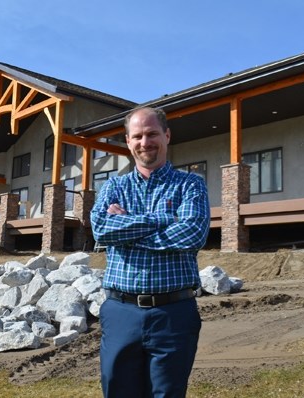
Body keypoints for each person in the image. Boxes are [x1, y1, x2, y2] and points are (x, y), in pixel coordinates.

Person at [90, 107, 210, 397]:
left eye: (152, 133)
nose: (146, 142)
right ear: (128, 141)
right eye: (138, 136)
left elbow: (192, 233)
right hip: (121, 313)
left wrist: (127, 229)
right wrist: (162, 220)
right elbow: (101, 231)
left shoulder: (190, 184)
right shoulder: (113, 186)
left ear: (166, 136)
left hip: (173, 314)